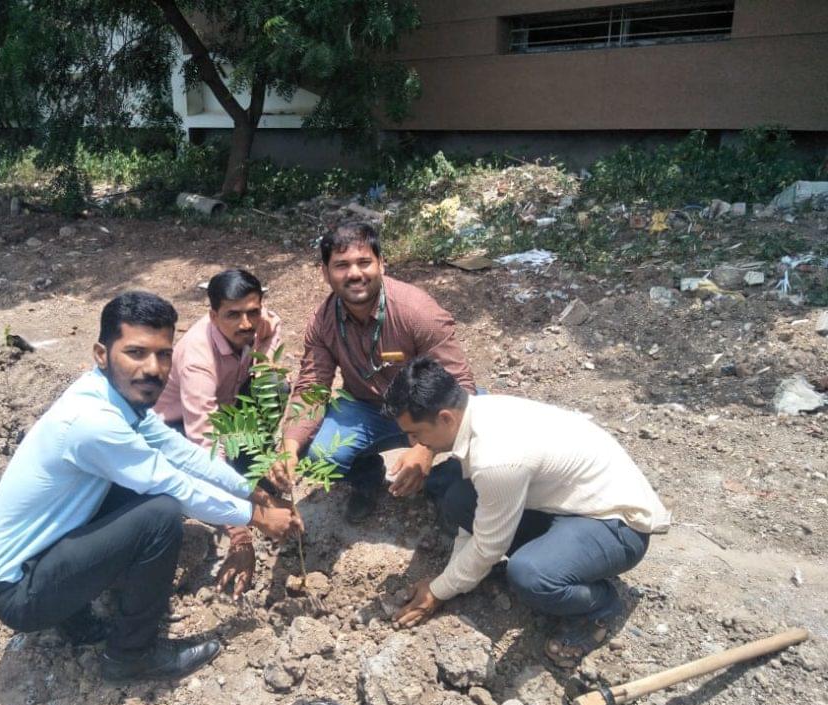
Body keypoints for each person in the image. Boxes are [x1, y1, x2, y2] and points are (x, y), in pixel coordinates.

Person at [0, 291, 302, 682]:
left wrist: (250, 490)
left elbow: (180, 452)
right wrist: (256, 518)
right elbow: (176, 485)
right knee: (160, 511)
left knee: (141, 492)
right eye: (136, 352)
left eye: (163, 354)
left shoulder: (116, 396)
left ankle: (75, 615)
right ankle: (131, 655)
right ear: (102, 354)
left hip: (41, 562)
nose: (153, 368)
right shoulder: (93, 420)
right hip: (19, 593)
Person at [382, 357, 670, 667]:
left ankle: (599, 606)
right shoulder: (478, 411)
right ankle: (558, 560)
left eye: (416, 433)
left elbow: (488, 545)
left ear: (445, 418)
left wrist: (437, 592)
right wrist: (453, 576)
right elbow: (477, 523)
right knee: (459, 499)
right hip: (571, 501)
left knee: (530, 574)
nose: (415, 444)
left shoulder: (496, 458)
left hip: (618, 525)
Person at [270, 222, 476, 522]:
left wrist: (425, 448)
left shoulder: (417, 312)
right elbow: (312, 388)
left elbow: (461, 387)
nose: (354, 273)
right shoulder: (323, 321)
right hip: (369, 410)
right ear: (325, 273)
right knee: (314, 453)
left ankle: (446, 481)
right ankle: (366, 479)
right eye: (341, 265)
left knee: (478, 424)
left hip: (426, 410)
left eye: (364, 262)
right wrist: (289, 448)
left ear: (381, 264)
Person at [153, 268, 282, 598]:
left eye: (253, 312)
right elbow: (203, 443)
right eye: (233, 315)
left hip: (227, 409)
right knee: (193, 466)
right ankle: (229, 492)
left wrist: (267, 454)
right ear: (213, 315)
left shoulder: (262, 323)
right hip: (177, 428)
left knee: (275, 386)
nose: (246, 324)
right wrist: (239, 533)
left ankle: (252, 467)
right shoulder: (198, 358)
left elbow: (265, 368)